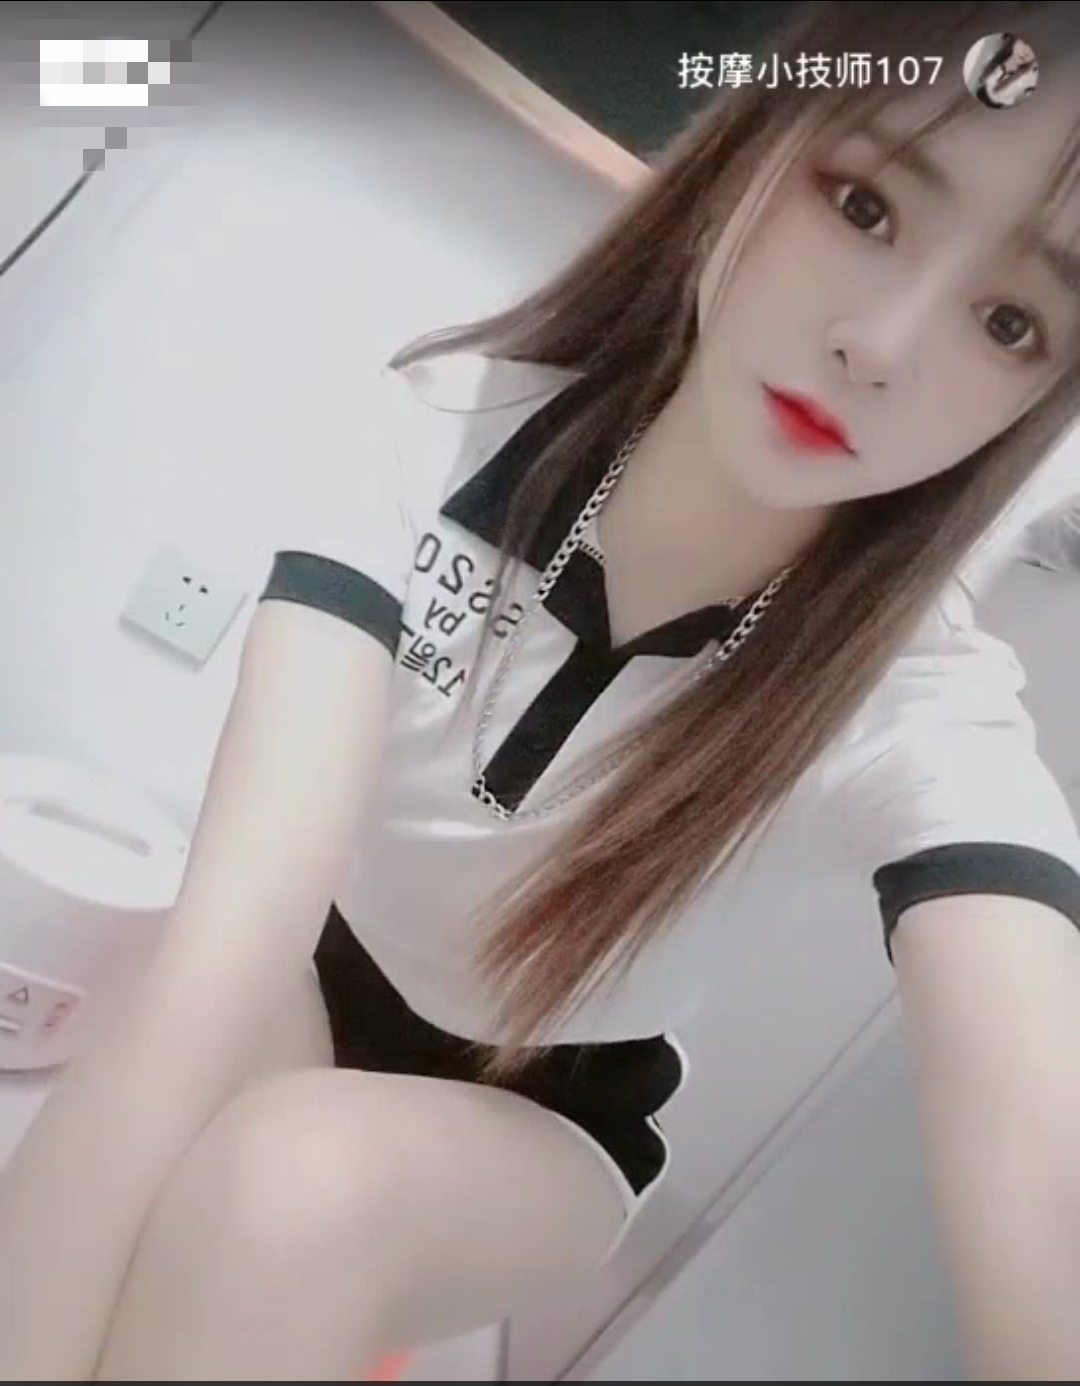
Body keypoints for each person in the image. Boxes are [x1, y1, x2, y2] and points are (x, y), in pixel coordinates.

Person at [2, 1, 1080, 1379]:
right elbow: (240, 928)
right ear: (755, 145)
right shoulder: (441, 428)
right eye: (865, 204)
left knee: (293, 1186)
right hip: (305, 981)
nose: (882, 341)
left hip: (551, 1122)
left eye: (1011, 321)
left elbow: (1038, 1178)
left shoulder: (920, 701)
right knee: (187, 1062)